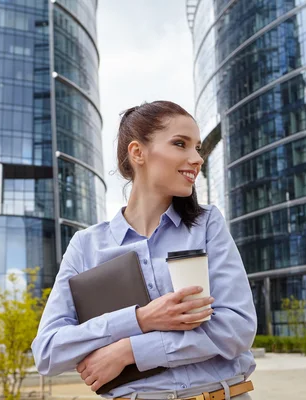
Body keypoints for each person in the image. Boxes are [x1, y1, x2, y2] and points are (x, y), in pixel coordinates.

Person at [32, 101, 257, 400]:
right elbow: (48, 351)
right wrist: (140, 319)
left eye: (198, 148)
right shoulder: (86, 246)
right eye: (181, 144)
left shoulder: (206, 225)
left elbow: (237, 327)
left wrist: (129, 351)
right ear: (138, 152)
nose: (197, 159)